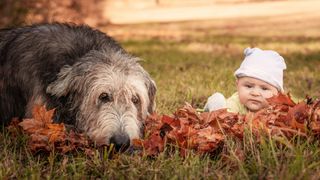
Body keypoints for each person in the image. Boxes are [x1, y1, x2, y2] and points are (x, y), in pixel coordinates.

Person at [204, 47, 287, 115]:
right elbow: (228, 120)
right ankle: (214, 109)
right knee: (220, 106)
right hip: (224, 116)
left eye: (264, 89)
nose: (255, 93)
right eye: (249, 86)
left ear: (278, 94)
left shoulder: (277, 110)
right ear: (237, 85)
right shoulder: (236, 103)